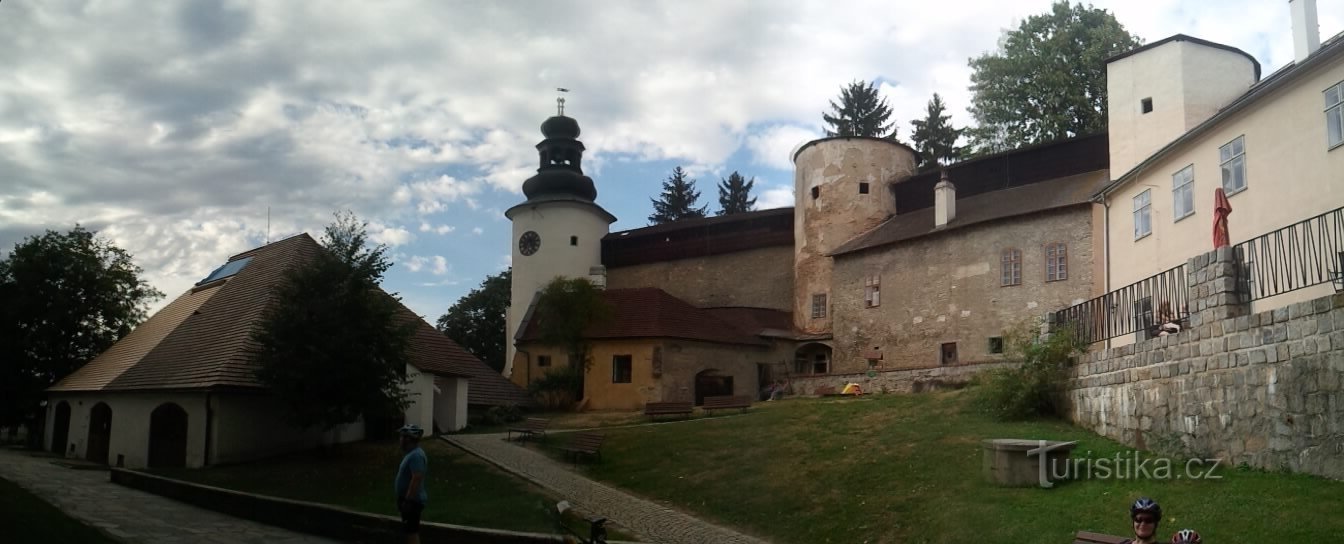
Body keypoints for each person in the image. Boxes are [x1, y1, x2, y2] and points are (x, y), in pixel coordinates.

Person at [395, 424, 428, 544]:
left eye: (401, 437)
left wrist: (408, 500)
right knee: (409, 531)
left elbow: (417, 478)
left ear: (408, 439)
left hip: (413, 502)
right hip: (409, 500)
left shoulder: (416, 456)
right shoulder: (412, 454)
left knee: (412, 532)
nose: (400, 440)